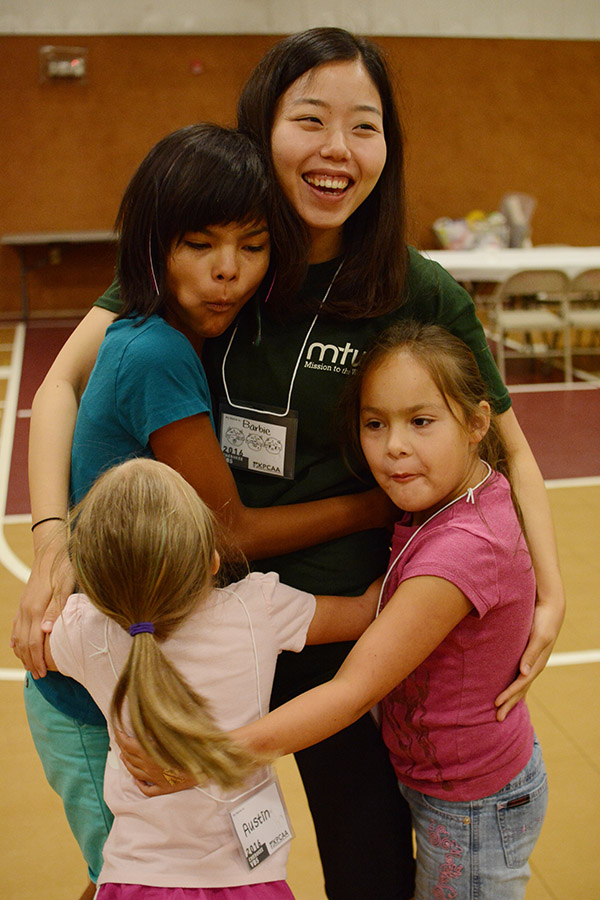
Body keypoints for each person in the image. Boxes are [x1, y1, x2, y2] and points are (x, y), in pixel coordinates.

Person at [12, 28, 564, 900]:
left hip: (323, 619)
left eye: (364, 126)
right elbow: (60, 386)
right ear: (262, 128)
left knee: (366, 858)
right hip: (190, 619)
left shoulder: (414, 286)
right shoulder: (208, 248)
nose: (337, 148)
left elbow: (512, 450)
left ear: (389, 146)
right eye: (310, 119)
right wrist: (51, 535)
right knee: (153, 857)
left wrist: (551, 590)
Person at [18, 120, 394, 896]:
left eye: (253, 247)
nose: (228, 270)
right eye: (200, 245)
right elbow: (231, 529)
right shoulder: (156, 351)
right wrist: (376, 504)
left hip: (134, 677)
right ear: (154, 247)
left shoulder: (170, 334)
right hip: (98, 696)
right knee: (131, 876)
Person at [122, 321, 546, 899]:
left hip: (473, 806)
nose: (395, 446)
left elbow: (351, 692)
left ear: (477, 424)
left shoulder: (463, 549)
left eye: (421, 422)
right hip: (442, 778)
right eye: (375, 424)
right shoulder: (443, 496)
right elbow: (383, 601)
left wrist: (206, 757)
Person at [44, 457, 383, 899]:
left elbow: (36, 647)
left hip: (136, 877)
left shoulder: (86, 629)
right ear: (212, 560)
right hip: (247, 879)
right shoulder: (257, 607)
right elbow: (365, 612)